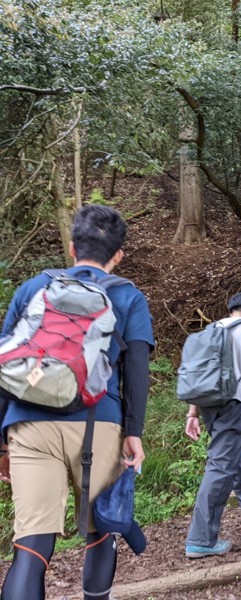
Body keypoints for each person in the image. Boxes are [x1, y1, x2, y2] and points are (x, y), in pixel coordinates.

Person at [0, 205, 154, 600]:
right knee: (100, 531)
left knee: (31, 547)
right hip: (99, 423)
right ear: (118, 255)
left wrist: (2, 438)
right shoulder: (128, 296)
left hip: (29, 426)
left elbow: (6, 362)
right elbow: (136, 369)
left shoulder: (34, 289)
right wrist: (133, 432)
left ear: (71, 248)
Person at [184, 292, 241, 559]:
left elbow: (196, 373)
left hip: (208, 401)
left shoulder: (211, 330)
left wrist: (192, 413)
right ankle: (201, 538)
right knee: (221, 464)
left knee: (234, 455)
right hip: (234, 401)